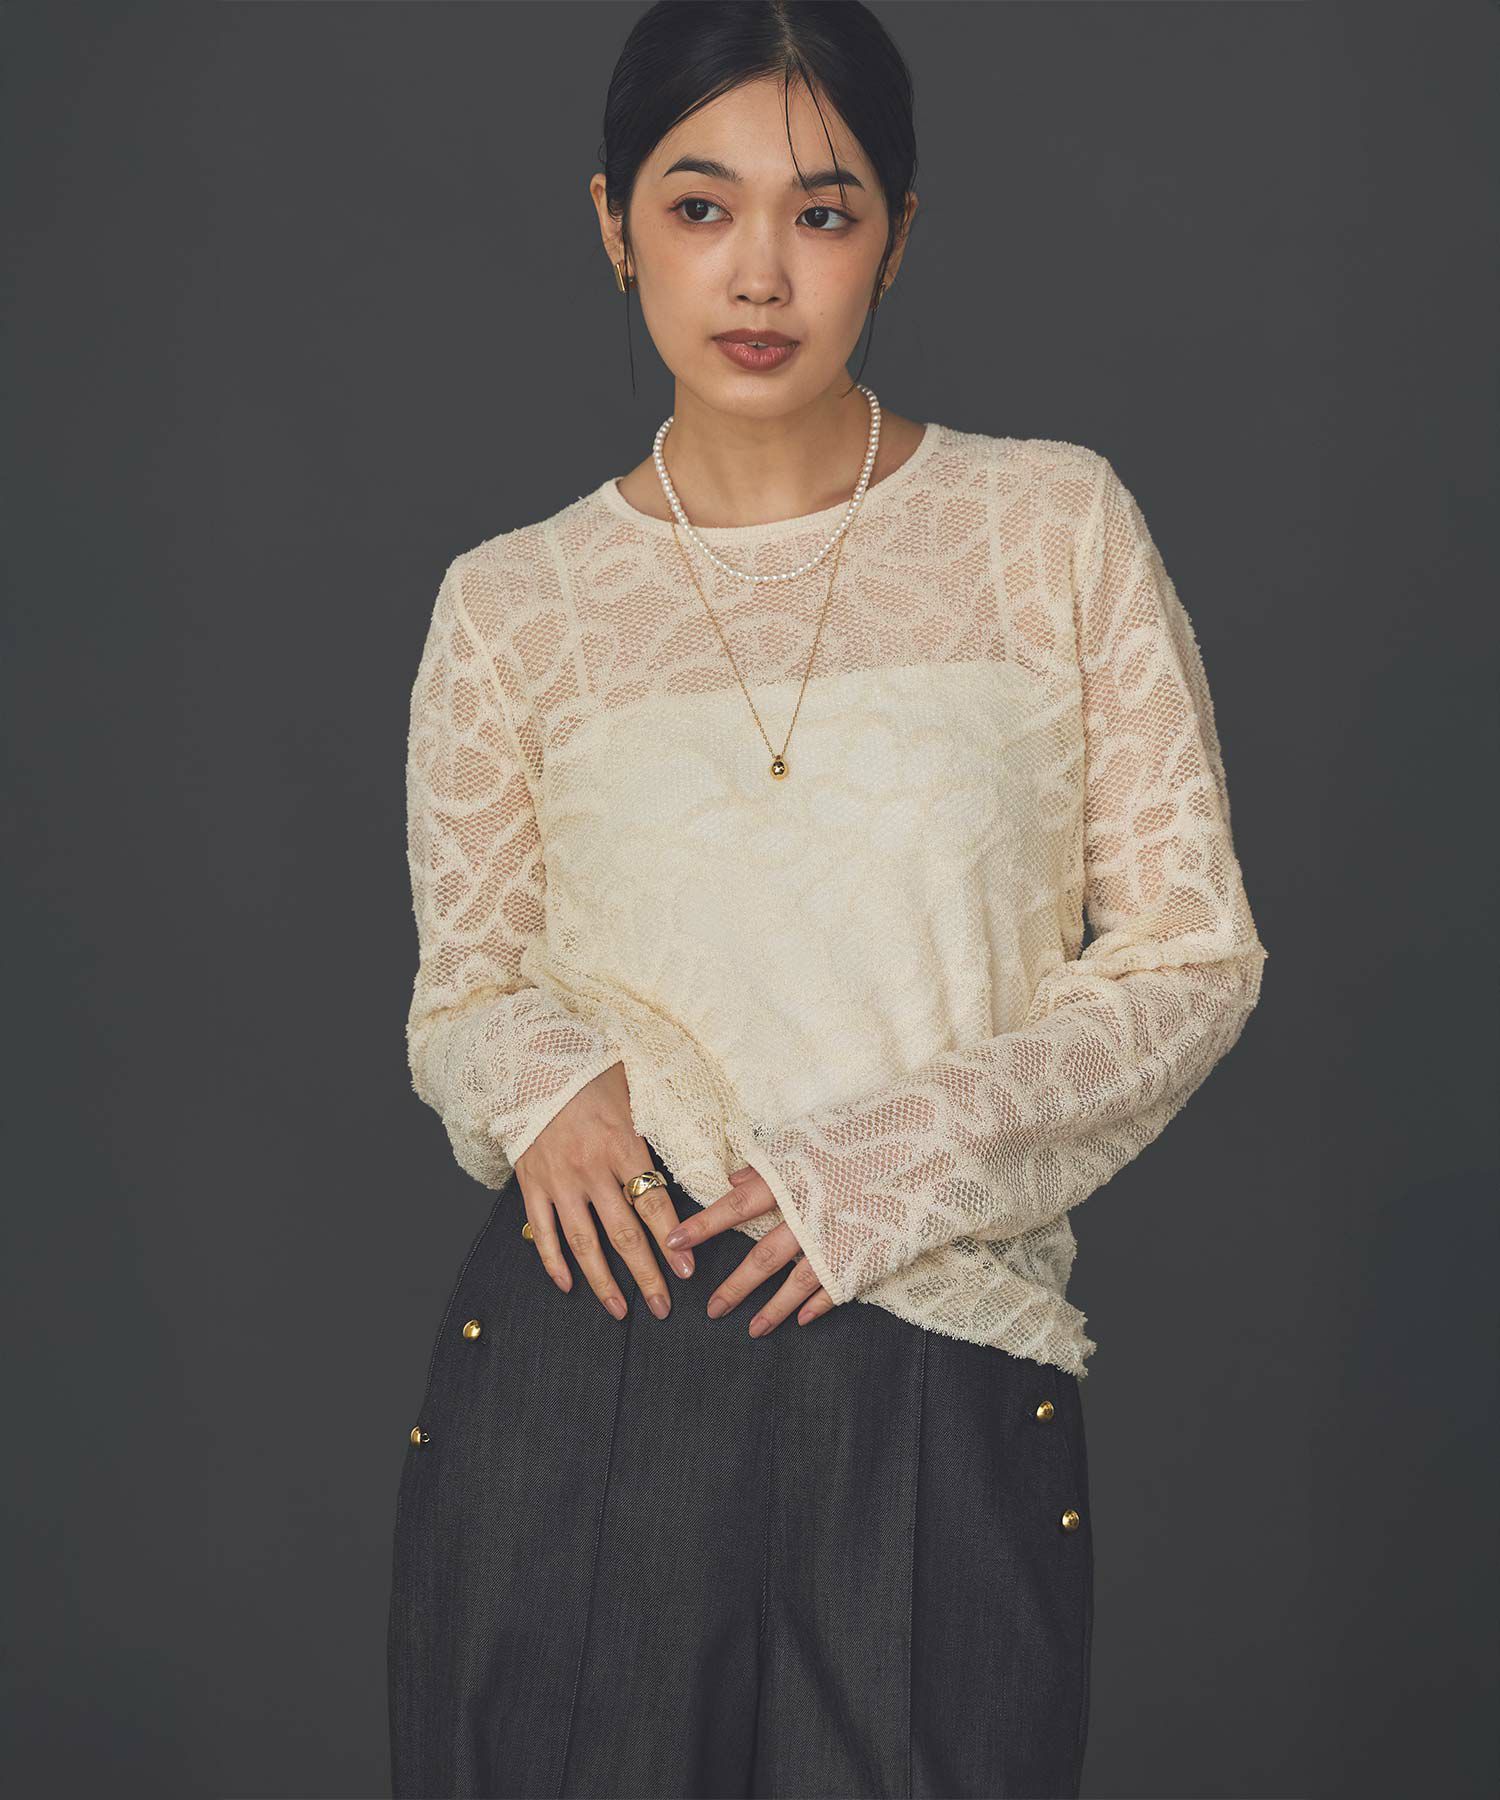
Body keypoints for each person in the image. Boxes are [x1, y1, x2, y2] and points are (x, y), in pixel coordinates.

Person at [386, 4, 1269, 1796]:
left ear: (900, 232)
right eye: (700, 207)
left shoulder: (1050, 529)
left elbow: (1191, 958)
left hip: (936, 1357)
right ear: (615, 225)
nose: (760, 274)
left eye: (825, 210)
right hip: (596, 1359)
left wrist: (890, 1163)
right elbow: (464, 992)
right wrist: (543, 1085)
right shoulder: (512, 605)